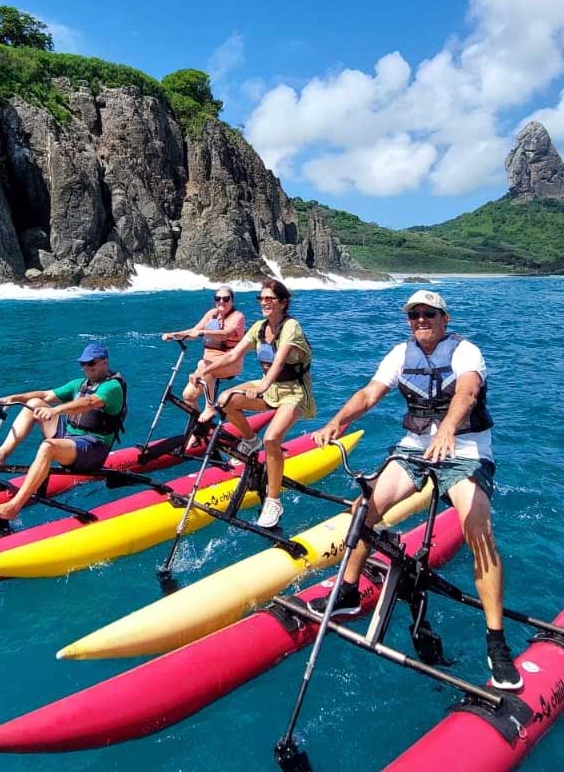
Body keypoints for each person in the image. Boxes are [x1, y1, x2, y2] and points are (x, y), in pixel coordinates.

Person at [310, 289, 523, 691]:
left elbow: (467, 393)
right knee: (364, 509)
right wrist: (337, 421)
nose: (421, 320)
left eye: (429, 313)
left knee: (477, 528)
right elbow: (370, 394)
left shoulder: (466, 352)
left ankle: (496, 641)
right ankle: (350, 592)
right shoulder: (399, 354)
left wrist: (446, 431)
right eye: (414, 315)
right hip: (415, 448)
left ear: (445, 318)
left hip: (465, 449)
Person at [193, 278, 315, 529]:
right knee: (224, 400)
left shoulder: (291, 326)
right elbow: (233, 355)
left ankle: (273, 500)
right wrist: (204, 372)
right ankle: (250, 440)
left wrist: (261, 387)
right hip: (269, 390)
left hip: (293, 393)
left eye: (270, 299)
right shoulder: (259, 327)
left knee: (272, 439)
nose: (264, 303)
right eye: (261, 299)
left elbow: (280, 361)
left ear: (283, 302)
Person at [0, 342, 127, 521]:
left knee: (47, 447)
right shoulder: (79, 384)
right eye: (83, 364)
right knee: (33, 404)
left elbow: (89, 403)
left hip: (93, 448)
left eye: (91, 363)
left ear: (105, 362)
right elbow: (45, 395)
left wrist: (55, 410)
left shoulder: (112, 387)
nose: (86, 368)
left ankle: (13, 507)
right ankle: (1, 453)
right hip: (70, 440)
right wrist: (12, 398)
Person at [161, 286, 247, 409]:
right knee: (188, 396)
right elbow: (194, 331)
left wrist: (203, 332)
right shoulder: (212, 314)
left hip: (229, 362)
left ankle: (209, 408)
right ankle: (204, 427)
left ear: (232, 301)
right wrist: (174, 334)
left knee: (203, 365)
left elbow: (225, 334)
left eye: (226, 299)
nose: (221, 301)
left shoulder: (238, 317)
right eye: (218, 298)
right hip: (208, 362)